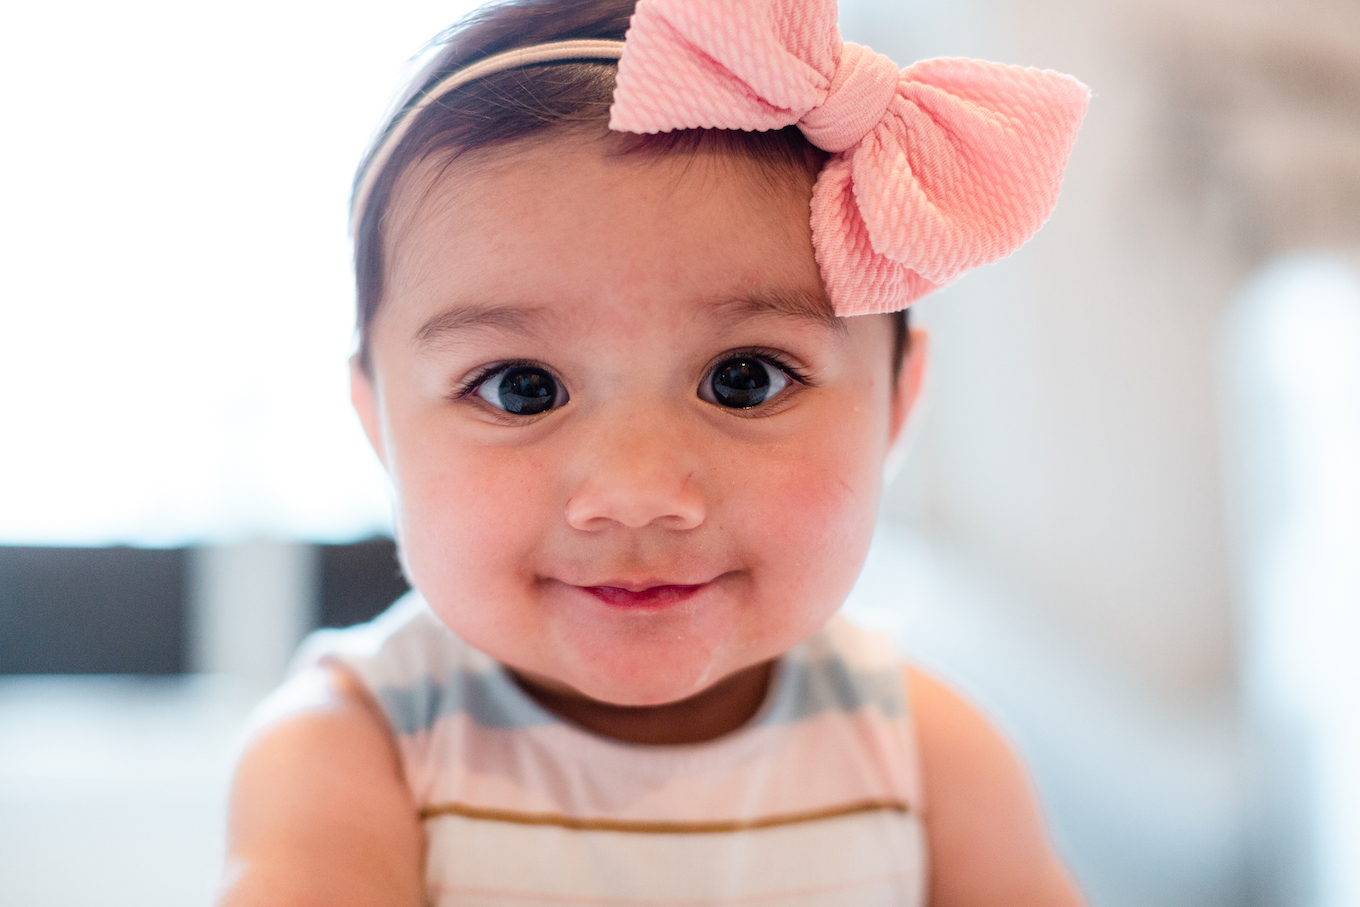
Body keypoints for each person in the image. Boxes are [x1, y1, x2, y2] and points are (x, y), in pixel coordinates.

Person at [220, 0, 1089, 904]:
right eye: (522, 387)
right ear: (377, 422)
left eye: (745, 378)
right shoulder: (354, 754)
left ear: (900, 405)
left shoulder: (929, 758)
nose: (636, 492)